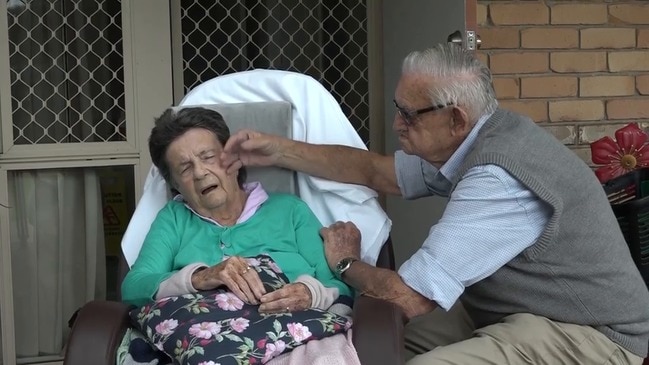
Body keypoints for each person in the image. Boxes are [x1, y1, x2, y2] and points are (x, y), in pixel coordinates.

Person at [221, 43, 649, 364]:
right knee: (371, 345)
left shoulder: (498, 176)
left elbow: (411, 297)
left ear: (455, 119)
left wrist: (345, 263)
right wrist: (276, 150)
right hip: (517, 309)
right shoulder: (475, 137)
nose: (396, 124)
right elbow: (375, 171)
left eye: (409, 115)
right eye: (398, 109)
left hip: (592, 334)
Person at [121, 106, 352, 317]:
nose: (200, 173)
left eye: (208, 157)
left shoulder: (290, 211)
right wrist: (201, 277)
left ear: (232, 159)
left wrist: (309, 293)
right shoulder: (174, 219)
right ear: (174, 184)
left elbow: (338, 286)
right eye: (185, 168)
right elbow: (134, 287)